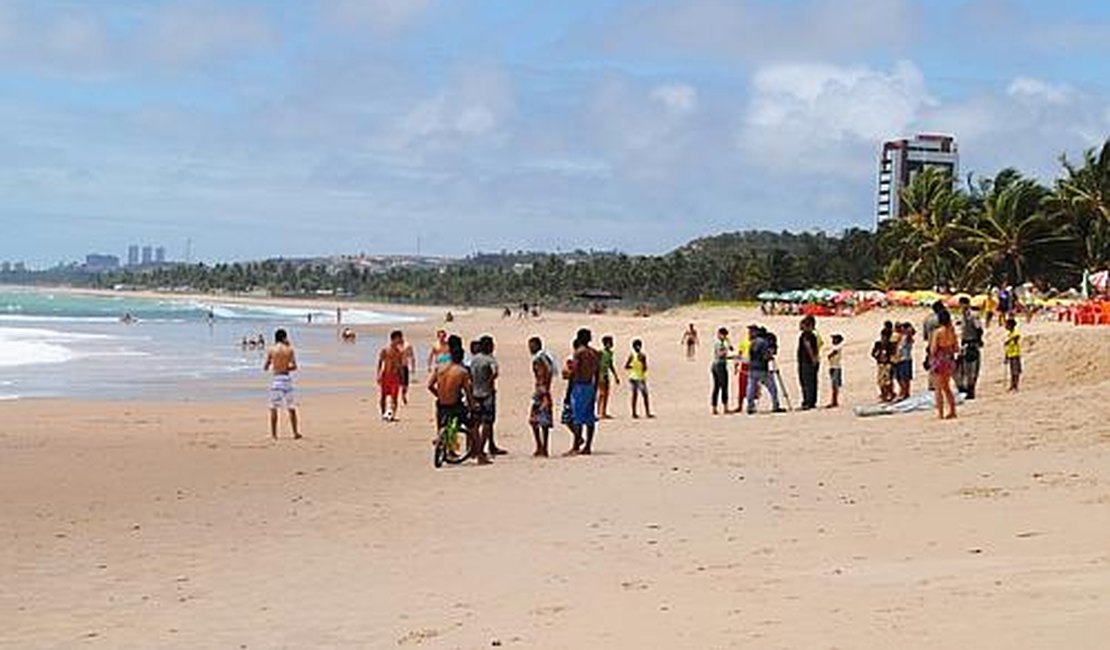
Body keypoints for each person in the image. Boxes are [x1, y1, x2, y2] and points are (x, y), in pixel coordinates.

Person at [428, 336, 488, 464]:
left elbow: (429, 385)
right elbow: (467, 392)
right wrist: (473, 406)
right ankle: (481, 457)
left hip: (441, 404)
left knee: (442, 425)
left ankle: (444, 446)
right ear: (461, 357)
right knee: (472, 427)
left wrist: (439, 395)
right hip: (455, 405)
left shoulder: (439, 368)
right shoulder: (461, 372)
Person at [566, 328, 600, 454]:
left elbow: (574, 372)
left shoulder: (579, 353)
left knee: (578, 418)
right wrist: (595, 388)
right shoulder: (595, 353)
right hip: (590, 385)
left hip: (579, 386)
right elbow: (597, 373)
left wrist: (568, 389)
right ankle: (588, 446)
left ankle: (575, 446)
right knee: (589, 417)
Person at [263, 328, 301, 439]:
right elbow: (294, 366)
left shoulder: (271, 350)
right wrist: (286, 366)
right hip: (286, 379)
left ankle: (274, 435)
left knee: (274, 407)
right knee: (291, 407)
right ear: (284, 337)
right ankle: (295, 433)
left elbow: (265, 367)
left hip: (277, 379)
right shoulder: (289, 350)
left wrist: (275, 365)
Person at [470, 335, 505, 456]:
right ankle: (481, 448)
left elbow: (469, 374)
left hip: (475, 393)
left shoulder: (474, 359)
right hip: (487, 393)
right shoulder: (490, 360)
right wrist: (488, 381)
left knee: (476, 422)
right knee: (487, 422)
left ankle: (475, 447)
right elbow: (494, 373)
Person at [746, 326, 784, 414]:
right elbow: (765, 356)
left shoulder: (752, 342)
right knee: (772, 388)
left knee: (751, 388)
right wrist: (770, 356)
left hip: (752, 368)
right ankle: (775, 405)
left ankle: (750, 407)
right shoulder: (763, 342)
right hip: (762, 369)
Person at [528, 337, 556, 457]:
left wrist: (543, 393)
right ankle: (543, 447)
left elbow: (541, 376)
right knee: (544, 422)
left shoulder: (538, 360)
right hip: (545, 391)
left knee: (534, 421)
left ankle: (540, 446)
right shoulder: (545, 358)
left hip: (541, 392)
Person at [929, 310, 959, 419]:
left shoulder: (937, 332)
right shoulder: (952, 332)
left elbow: (933, 349)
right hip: (949, 360)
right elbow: (956, 348)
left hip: (939, 360)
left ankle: (940, 413)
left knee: (938, 389)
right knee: (946, 387)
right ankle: (952, 410)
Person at [956, 297, 984, 399]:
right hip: (964, 343)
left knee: (972, 368)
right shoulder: (962, 316)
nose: (961, 307)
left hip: (972, 343)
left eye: (962, 304)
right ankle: (965, 389)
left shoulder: (973, 315)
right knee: (963, 368)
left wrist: (979, 340)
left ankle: (971, 390)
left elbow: (979, 328)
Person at [377, 330, 407, 421]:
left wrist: (402, 379)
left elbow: (401, 367)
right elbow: (380, 362)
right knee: (383, 397)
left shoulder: (400, 352)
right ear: (394, 339)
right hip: (385, 375)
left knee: (394, 397)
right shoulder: (385, 350)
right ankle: (383, 414)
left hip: (395, 377)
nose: (401, 340)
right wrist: (378, 375)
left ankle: (392, 415)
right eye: (399, 338)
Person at [624, 338, 654, 418]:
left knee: (635, 395)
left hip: (633, 376)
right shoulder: (642, 356)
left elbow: (626, 366)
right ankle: (647, 412)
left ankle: (634, 413)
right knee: (644, 395)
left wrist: (633, 366)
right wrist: (639, 366)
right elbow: (645, 368)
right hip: (640, 377)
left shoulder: (631, 355)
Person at [796, 315, 820, 410]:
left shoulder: (806, 335)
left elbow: (808, 346)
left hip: (806, 362)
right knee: (812, 382)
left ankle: (808, 401)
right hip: (809, 362)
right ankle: (811, 401)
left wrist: (813, 358)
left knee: (806, 382)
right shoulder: (813, 335)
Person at [871, 322, 896, 402]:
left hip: (888, 364)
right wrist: (877, 356)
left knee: (888, 380)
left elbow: (893, 353)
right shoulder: (878, 344)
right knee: (881, 381)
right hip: (881, 364)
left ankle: (889, 393)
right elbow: (873, 353)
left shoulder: (890, 345)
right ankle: (884, 394)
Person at [597, 335, 620, 419]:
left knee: (607, 394)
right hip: (600, 375)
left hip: (606, 374)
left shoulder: (610, 353)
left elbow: (610, 365)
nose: (611, 344)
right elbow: (597, 364)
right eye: (610, 343)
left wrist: (615, 376)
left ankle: (604, 412)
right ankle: (598, 411)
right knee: (602, 393)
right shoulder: (600, 353)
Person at [710, 327, 732, 414]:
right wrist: (727, 350)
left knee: (717, 387)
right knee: (723, 386)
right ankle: (725, 407)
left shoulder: (720, 342)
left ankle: (715, 407)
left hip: (716, 365)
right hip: (720, 365)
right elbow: (720, 354)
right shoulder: (720, 343)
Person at [893, 322, 915, 401]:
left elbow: (911, 332)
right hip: (900, 359)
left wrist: (907, 329)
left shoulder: (907, 337)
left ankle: (904, 392)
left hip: (905, 359)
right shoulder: (900, 336)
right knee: (901, 377)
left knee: (904, 378)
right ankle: (904, 392)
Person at [1004, 317, 1022, 391]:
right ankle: (1012, 385)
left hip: (1015, 353)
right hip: (1010, 354)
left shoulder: (1015, 332)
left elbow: (1016, 337)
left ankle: (1016, 385)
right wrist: (1006, 356)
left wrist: (1009, 341)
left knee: (1016, 371)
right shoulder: (1009, 334)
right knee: (1012, 371)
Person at [826, 333, 844, 408]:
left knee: (834, 385)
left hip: (836, 367)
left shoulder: (837, 347)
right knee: (834, 385)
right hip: (833, 367)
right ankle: (834, 400)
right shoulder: (835, 347)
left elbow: (833, 353)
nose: (832, 340)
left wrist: (829, 355)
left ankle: (834, 401)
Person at [400, 336, 415, 405]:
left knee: (405, 384)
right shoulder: (395, 345)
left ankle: (403, 395)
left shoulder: (407, 346)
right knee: (397, 383)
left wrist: (413, 367)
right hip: (396, 367)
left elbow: (412, 356)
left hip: (404, 366)